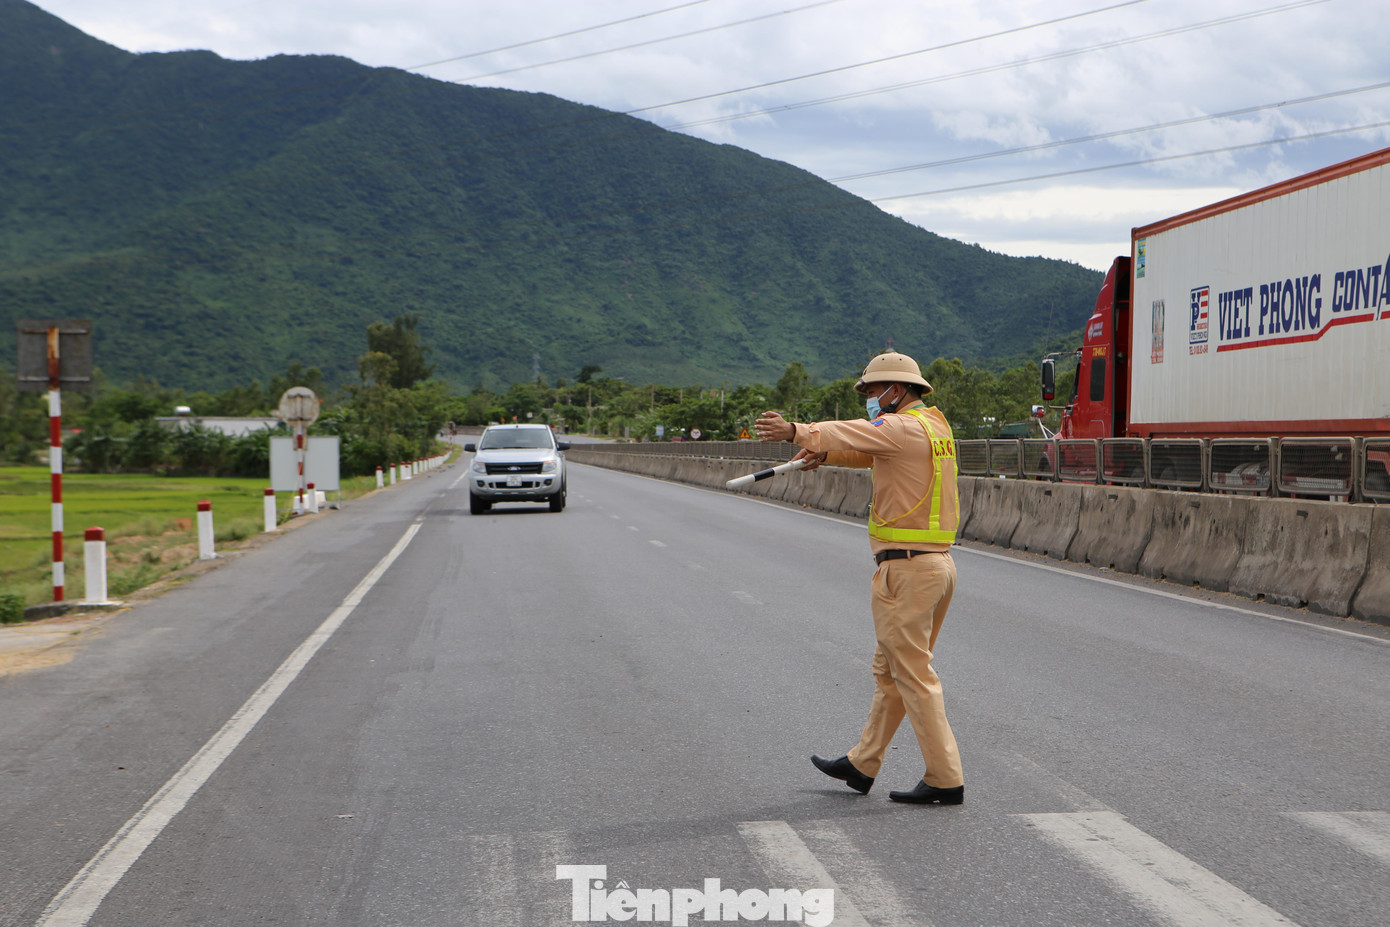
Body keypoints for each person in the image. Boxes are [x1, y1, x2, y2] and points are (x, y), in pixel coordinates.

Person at [753, 352, 964, 805]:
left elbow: (861, 432)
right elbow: (869, 451)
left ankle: (945, 778)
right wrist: (825, 454)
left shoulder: (900, 426)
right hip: (936, 567)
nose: (870, 399)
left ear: (897, 389)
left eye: (873, 392)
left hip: (907, 569)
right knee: (891, 672)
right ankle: (863, 763)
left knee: (912, 676)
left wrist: (798, 432)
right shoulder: (934, 427)